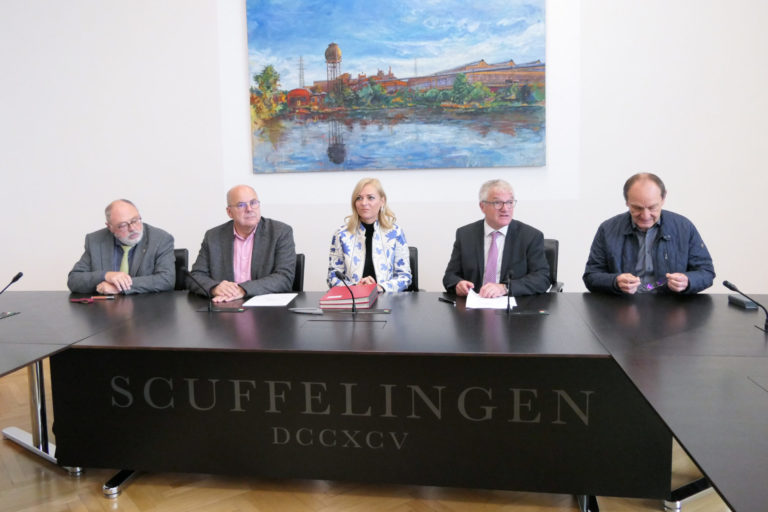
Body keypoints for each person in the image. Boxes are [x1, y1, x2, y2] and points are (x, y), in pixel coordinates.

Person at [583, 172, 715, 294]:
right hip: (622, 304)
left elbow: (706, 272)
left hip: (671, 304)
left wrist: (688, 281)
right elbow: (591, 276)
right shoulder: (607, 229)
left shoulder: (684, 227)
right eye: (637, 208)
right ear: (627, 202)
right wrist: (615, 282)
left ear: (663, 198)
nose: (645, 216)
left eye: (652, 207)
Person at [443, 179, 550, 298]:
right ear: (482, 206)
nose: (505, 208)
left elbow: (542, 278)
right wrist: (458, 284)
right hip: (474, 303)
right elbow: (450, 276)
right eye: (497, 203)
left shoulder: (530, 236)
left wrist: (505, 288)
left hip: (514, 304)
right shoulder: (465, 235)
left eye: (509, 202)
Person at [188, 184, 295, 302]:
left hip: (266, 307)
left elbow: (284, 278)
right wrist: (215, 288)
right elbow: (195, 277)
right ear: (229, 212)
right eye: (241, 205)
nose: (249, 209)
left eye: (253, 203)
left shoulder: (280, 232)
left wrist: (243, 289)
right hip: (224, 305)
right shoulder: (213, 236)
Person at [67, 199, 175, 294]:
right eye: (123, 225)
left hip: (146, 307)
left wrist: (120, 288)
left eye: (135, 220)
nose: (132, 228)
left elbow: (166, 280)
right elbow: (74, 280)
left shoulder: (160, 239)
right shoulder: (96, 241)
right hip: (105, 309)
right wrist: (106, 275)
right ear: (110, 227)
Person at [327, 177, 412, 293]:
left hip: (386, 298)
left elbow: (405, 276)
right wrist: (355, 287)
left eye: (370, 198)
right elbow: (333, 275)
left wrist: (380, 287)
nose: (364, 203)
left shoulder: (395, 232)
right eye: (359, 198)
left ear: (382, 201)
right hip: (353, 298)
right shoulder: (341, 234)